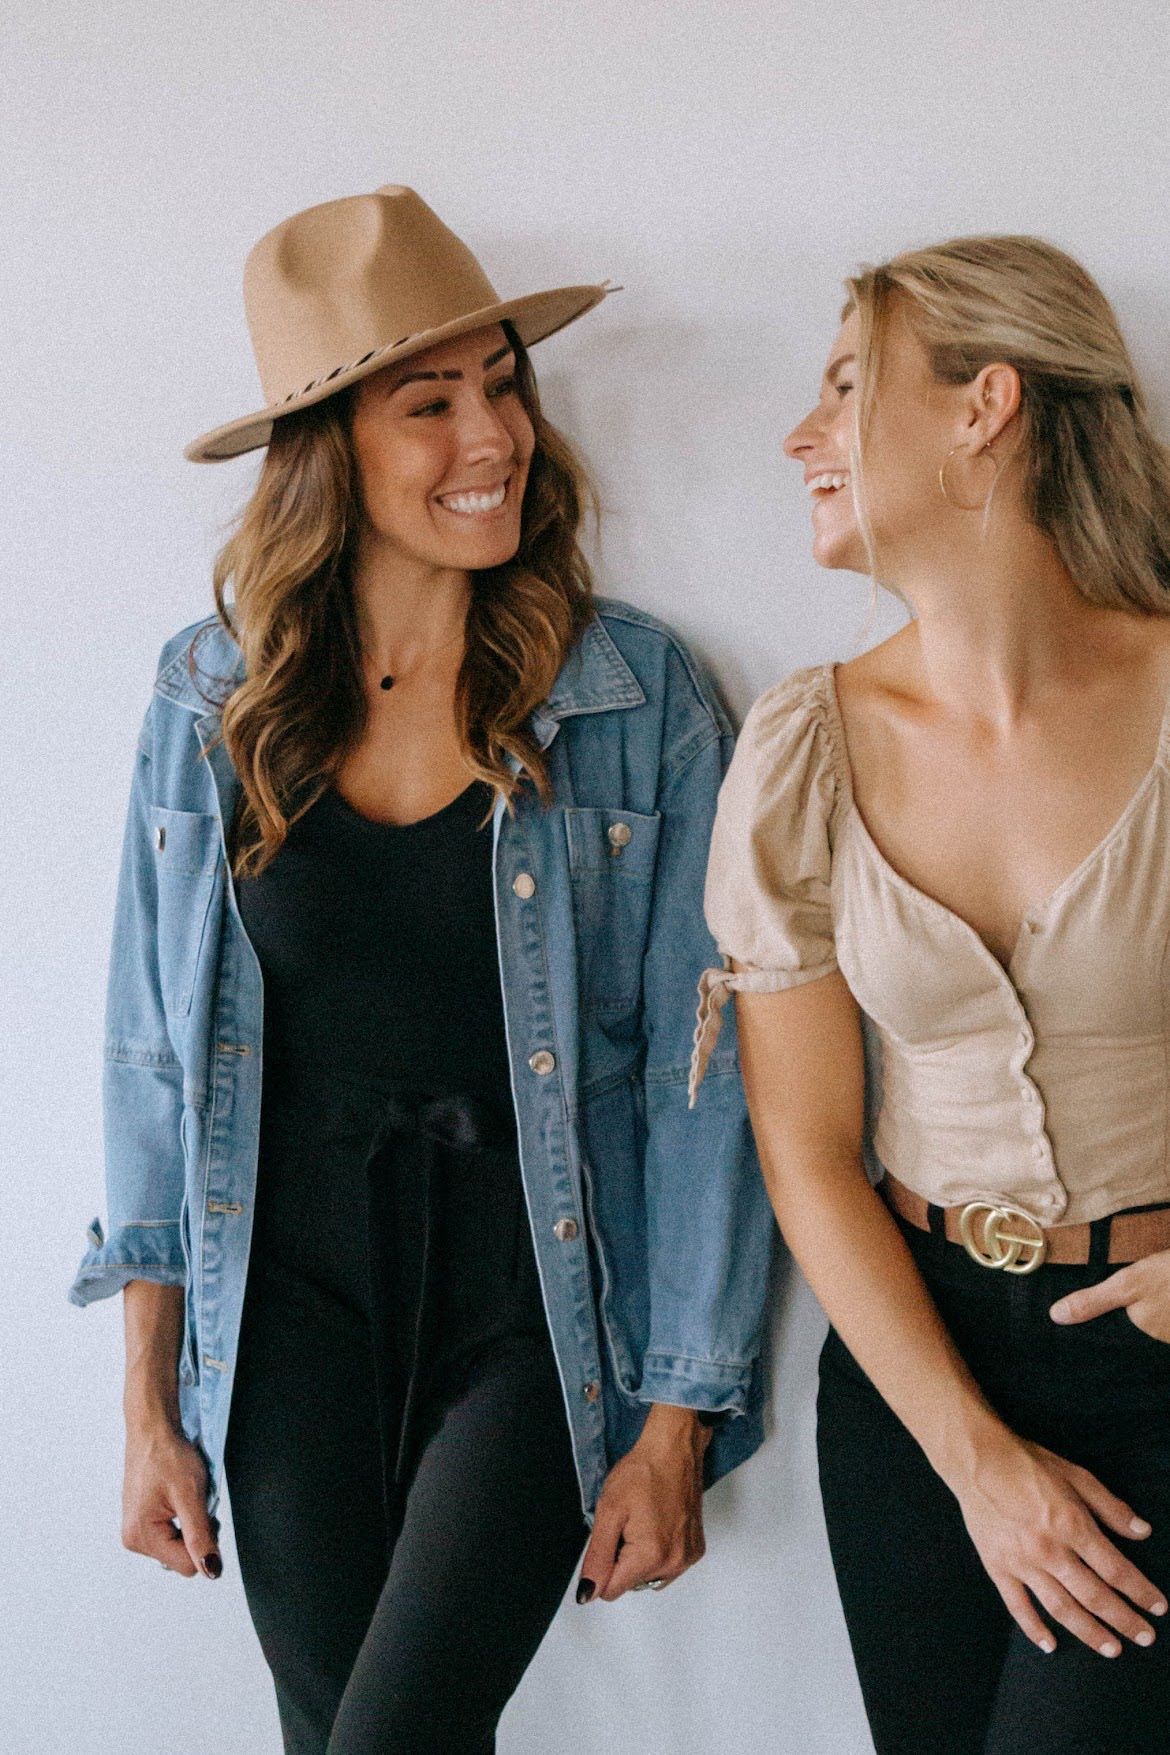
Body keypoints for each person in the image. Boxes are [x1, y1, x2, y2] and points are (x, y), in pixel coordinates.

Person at [69, 184, 774, 1755]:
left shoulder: (631, 698)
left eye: (503, 384)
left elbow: (702, 1072)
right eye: (431, 401)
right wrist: (148, 1403)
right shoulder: (211, 698)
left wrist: (677, 1415)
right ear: (329, 449)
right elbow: (151, 1058)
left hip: (539, 1309)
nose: (494, 435)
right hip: (283, 1317)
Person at [689, 234, 1170, 1754]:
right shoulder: (799, 749)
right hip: (915, 1380)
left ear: (983, 408)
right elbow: (806, 1149)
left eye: (843, 384)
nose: (799, 435)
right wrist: (975, 1463)